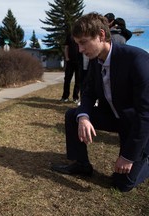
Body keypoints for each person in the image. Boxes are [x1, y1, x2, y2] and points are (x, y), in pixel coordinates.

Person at [51, 12, 149, 192]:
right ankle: (81, 164)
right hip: (114, 117)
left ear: (101, 35)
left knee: (122, 183)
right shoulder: (96, 61)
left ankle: (144, 156)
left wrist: (128, 156)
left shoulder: (137, 60)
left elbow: (145, 114)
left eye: (83, 42)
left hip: (135, 124)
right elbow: (88, 93)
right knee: (73, 115)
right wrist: (84, 117)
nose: (80, 50)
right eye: (77, 43)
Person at [60, 34, 82, 103]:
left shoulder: (82, 35)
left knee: (78, 80)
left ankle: (75, 97)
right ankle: (65, 97)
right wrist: (66, 57)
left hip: (79, 61)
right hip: (70, 61)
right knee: (67, 79)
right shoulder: (70, 36)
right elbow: (66, 47)